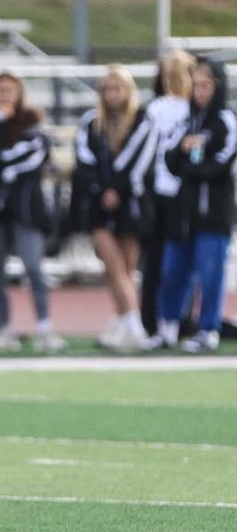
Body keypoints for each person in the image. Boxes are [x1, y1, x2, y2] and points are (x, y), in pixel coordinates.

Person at [0, 72, 63, 354]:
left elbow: (31, 157)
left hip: (25, 208)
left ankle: (44, 327)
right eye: (1, 90)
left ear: (20, 93)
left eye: (11, 90)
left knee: (33, 267)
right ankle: (3, 328)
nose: (6, 95)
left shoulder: (32, 122)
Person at [72, 65, 156, 353]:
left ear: (128, 91)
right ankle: (133, 323)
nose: (112, 94)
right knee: (113, 264)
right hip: (100, 205)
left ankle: (123, 322)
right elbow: (84, 160)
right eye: (107, 89)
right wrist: (101, 189)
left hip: (130, 202)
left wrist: (117, 190)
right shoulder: (92, 122)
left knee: (126, 268)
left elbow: (139, 160)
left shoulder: (142, 120)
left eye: (117, 88)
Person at [157, 56, 235, 353]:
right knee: (173, 271)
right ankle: (168, 328)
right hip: (184, 213)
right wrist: (183, 149)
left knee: (210, 274)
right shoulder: (187, 120)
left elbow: (222, 164)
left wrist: (192, 165)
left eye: (206, 85)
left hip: (213, 213)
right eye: (197, 85)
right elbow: (170, 160)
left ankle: (208, 329)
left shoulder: (226, 121)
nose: (200, 92)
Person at [141, 49, 195, 340]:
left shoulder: (154, 109)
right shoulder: (189, 112)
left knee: (155, 262)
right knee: (179, 261)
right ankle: (178, 320)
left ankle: (153, 322)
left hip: (157, 192)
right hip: (178, 194)